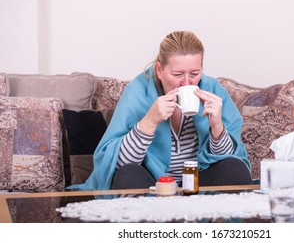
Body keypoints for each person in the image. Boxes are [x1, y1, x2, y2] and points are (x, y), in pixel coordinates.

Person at [69, 31, 252, 191]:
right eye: (178, 74)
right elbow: (115, 165)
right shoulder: (137, 92)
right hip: (153, 186)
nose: (186, 82)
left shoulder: (214, 91)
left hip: (200, 183)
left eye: (194, 73)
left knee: (234, 168)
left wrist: (217, 128)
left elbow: (229, 159)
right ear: (159, 69)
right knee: (128, 174)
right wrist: (149, 122)